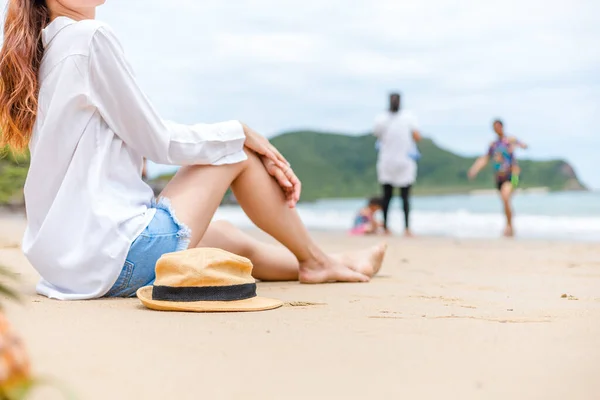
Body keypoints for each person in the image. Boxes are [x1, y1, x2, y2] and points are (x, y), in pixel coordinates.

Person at [0, 0, 387, 300]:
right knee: (238, 155)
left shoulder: (47, 48)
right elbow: (158, 142)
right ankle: (316, 262)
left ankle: (328, 261)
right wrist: (241, 132)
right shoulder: (89, 38)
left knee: (224, 235)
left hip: (68, 269)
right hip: (117, 260)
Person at [468, 119, 528, 237]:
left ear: (502, 127)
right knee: (505, 202)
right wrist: (474, 169)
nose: (497, 129)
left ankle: (509, 226)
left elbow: (523, 145)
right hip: (499, 178)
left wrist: (518, 145)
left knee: (506, 197)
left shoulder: (509, 140)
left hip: (512, 176)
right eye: (495, 127)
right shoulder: (493, 145)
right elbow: (485, 158)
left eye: (498, 126)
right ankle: (510, 225)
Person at [373, 92, 422, 237]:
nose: (394, 102)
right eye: (393, 99)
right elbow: (376, 134)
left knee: (405, 197)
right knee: (387, 197)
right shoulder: (381, 118)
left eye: (396, 100)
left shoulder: (409, 117)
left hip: (405, 163)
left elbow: (417, 136)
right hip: (387, 162)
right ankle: (386, 227)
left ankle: (407, 228)